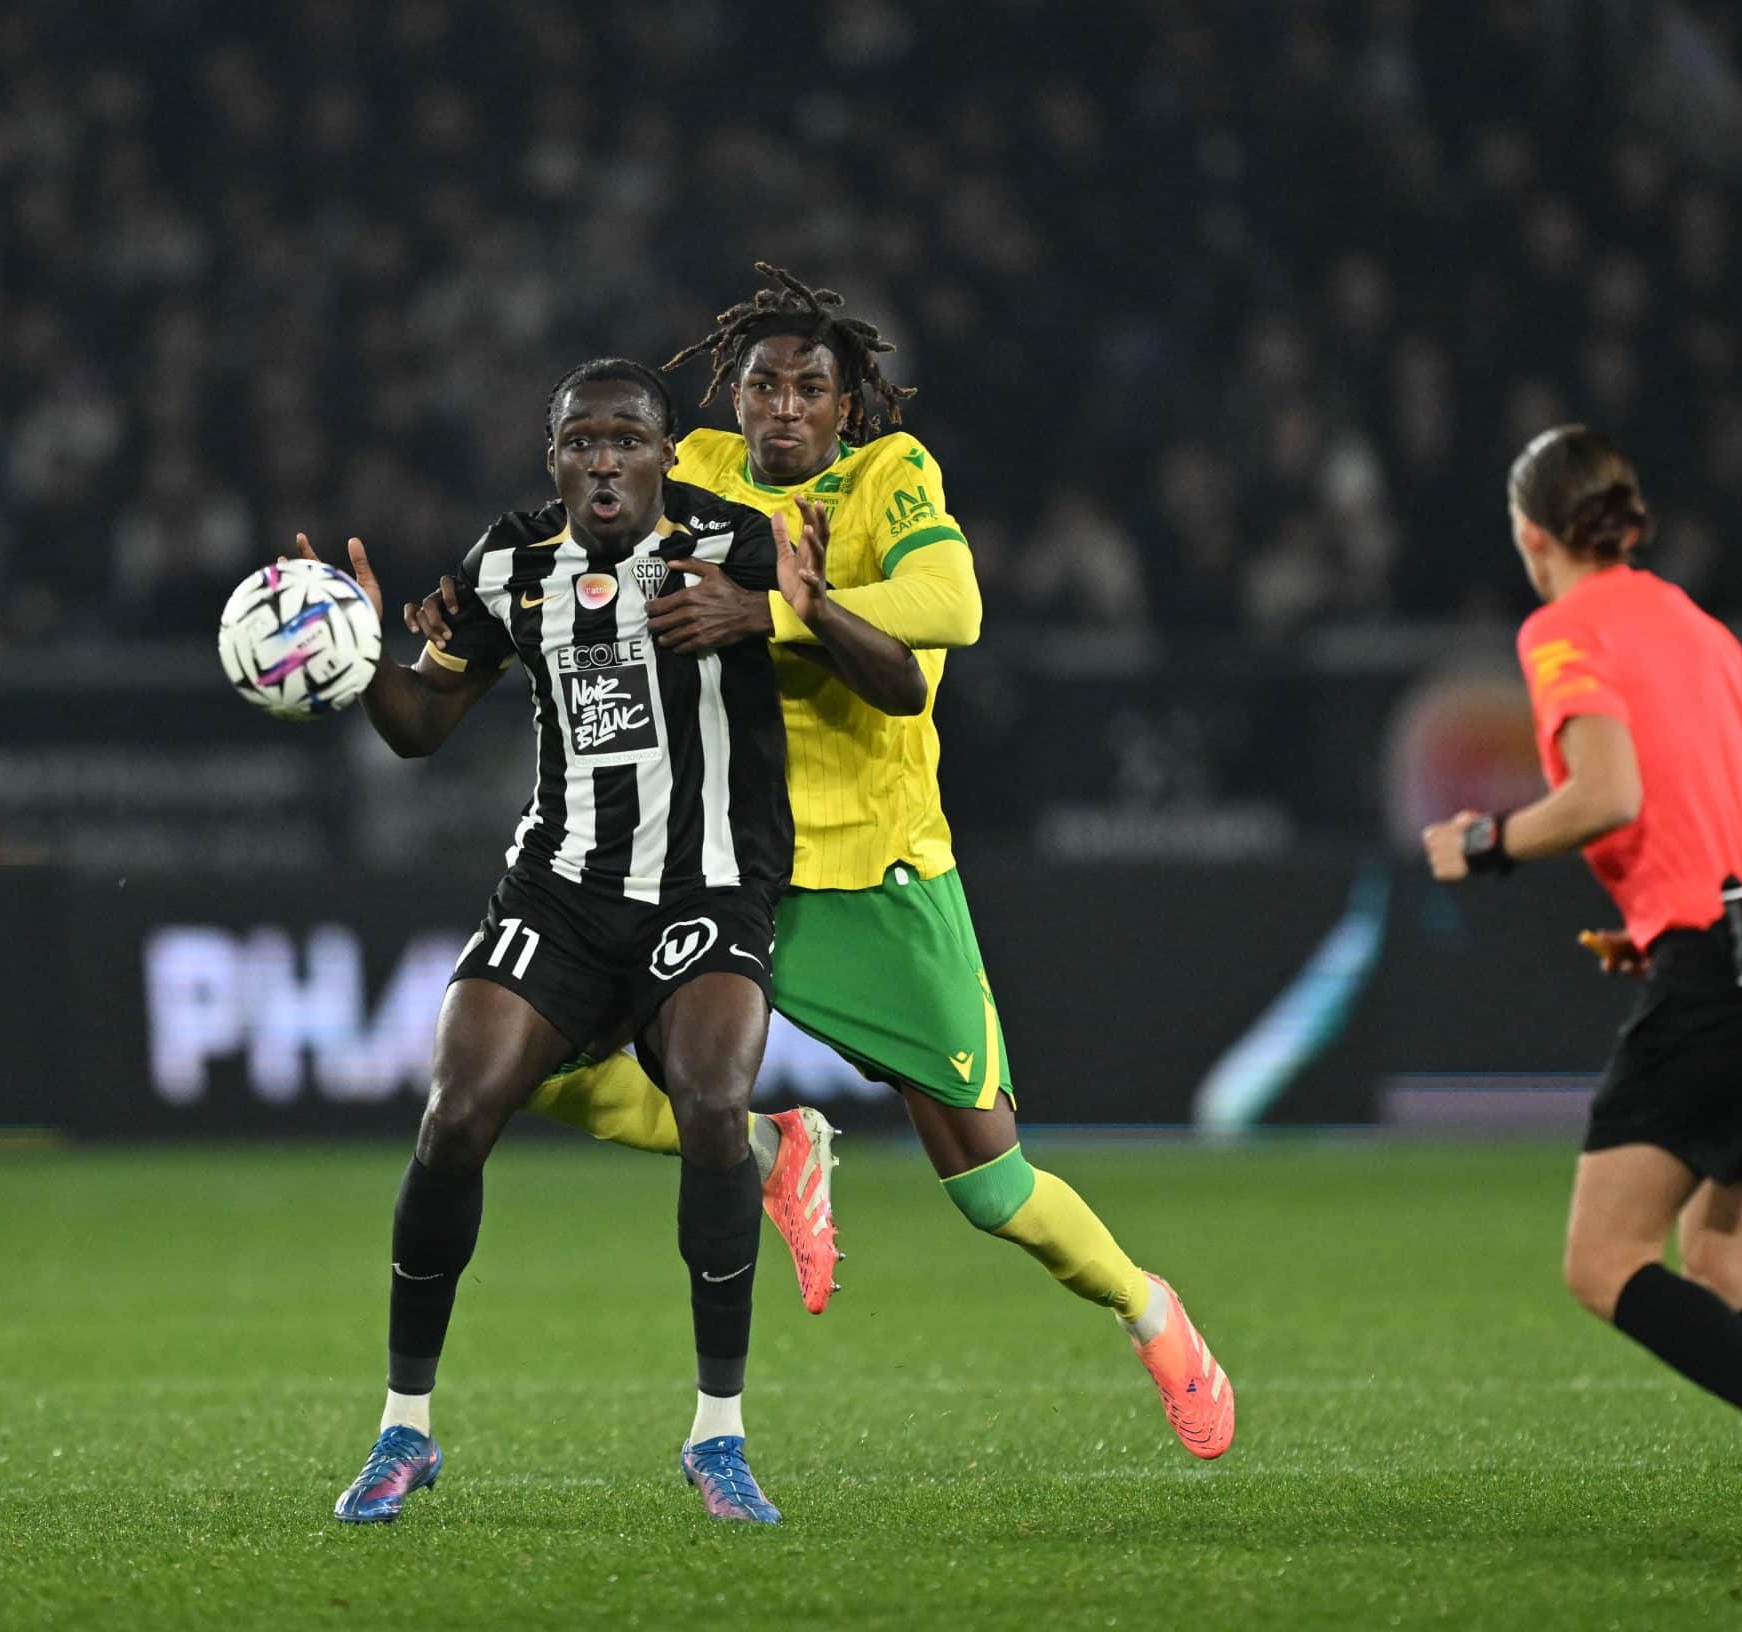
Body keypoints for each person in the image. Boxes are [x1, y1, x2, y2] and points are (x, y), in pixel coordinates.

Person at [415, 266, 1234, 1459]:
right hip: (711, 864)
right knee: (511, 1069)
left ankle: (1148, 1309)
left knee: (991, 1189)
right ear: (733, 398)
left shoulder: (888, 480)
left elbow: (950, 607)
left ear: (849, 406)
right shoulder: (691, 469)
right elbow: (563, 539)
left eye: (810, 387)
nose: (783, 407)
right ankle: (768, 1146)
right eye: (762, 385)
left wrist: (778, 613)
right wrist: (460, 607)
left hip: (876, 878)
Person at [321, 358, 918, 1527]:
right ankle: (405, 1428)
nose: (605, 459)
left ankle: (718, 1436)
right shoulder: (506, 564)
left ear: (663, 452)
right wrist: (347, 657)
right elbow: (419, 728)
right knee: (457, 1108)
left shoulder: (736, 542)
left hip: (709, 885)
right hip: (560, 890)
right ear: (553, 459)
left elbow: (898, 685)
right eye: (581, 441)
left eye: (629, 439)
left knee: (708, 1102)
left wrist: (795, 605)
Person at [1422, 424, 1742, 1598]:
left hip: (1729, 972)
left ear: (1531, 533)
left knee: (1605, 1260)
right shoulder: (1687, 621)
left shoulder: (1560, 630)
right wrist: (1670, 910)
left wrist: (1485, 843)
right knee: (1732, 1255)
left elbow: (1606, 793)